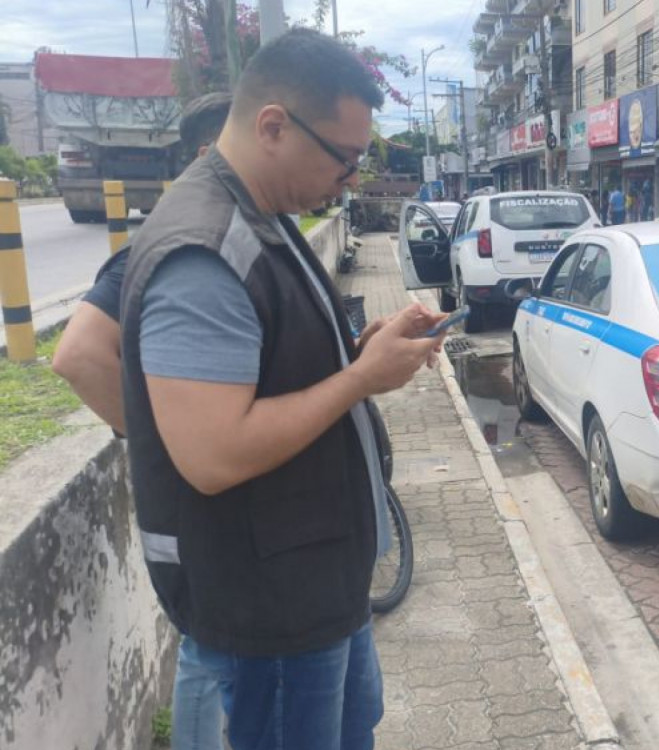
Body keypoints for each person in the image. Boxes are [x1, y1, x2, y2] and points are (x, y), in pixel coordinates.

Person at [120, 29, 445, 750]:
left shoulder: (263, 217)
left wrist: (365, 352)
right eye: (344, 157)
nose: (351, 179)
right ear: (274, 126)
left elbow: (282, 367)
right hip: (266, 608)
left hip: (314, 585)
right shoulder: (204, 251)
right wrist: (361, 377)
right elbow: (213, 453)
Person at [52, 91, 234, 750]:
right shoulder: (163, 249)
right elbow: (75, 356)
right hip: (191, 503)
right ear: (213, 153)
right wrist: (159, 436)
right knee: (207, 648)